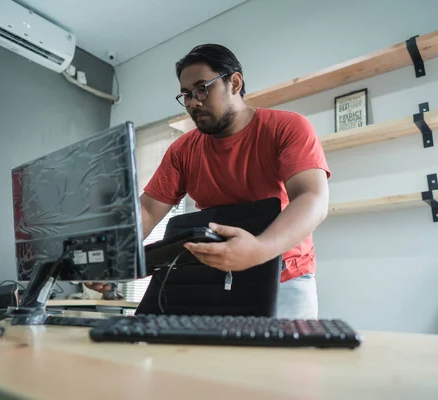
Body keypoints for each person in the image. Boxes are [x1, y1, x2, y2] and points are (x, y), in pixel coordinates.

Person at [89, 44, 330, 319]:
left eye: (203, 88)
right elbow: (147, 210)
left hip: (286, 278)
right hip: (210, 277)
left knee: (280, 362)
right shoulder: (183, 150)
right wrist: (110, 256)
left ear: (234, 83)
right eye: (186, 94)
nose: (193, 102)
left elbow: (311, 197)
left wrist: (260, 249)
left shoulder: (287, 127)